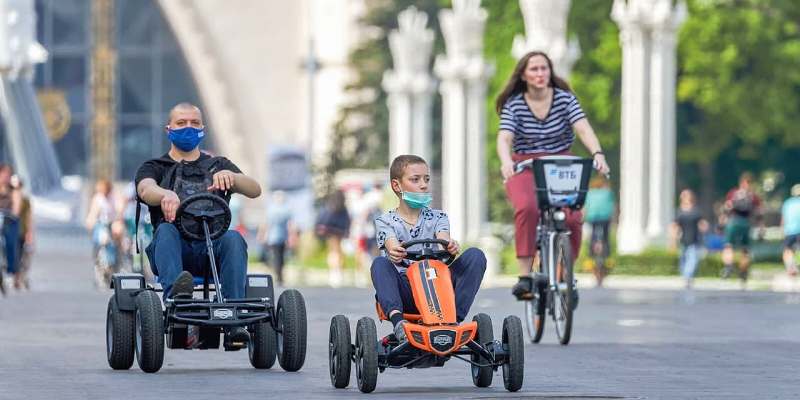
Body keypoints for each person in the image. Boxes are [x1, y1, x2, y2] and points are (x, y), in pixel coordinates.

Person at [134, 102, 261, 346]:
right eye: (181, 123)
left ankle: (234, 318)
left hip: (211, 249)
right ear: (169, 128)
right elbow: (145, 188)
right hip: (173, 250)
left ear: (203, 128)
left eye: (194, 123)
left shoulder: (218, 165)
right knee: (166, 230)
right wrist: (164, 195)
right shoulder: (155, 167)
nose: (188, 128)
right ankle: (179, 299)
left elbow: (254, 190)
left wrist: (233, 178)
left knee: (233, 237)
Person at [495, 51, 610, 298]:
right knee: (527, 208)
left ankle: (566, 268)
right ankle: (525, 276)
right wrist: (506, 161)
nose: (540, 74)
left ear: (550, 72)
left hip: (560, 162)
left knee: (572, 216)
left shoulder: (565, 100)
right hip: (525, 163)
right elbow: (505, 137)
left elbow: (583, 129)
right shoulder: (515, 104)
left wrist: (597, 153)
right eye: (534, 69)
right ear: (524, 75)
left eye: (544, 68)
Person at [371, 155, 486, 342]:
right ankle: (399, 323)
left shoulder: (438, 217)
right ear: (397, 186)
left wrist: (450, 245)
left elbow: (443, 237)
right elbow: (391, 243)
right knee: (380, 264)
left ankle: (452, 322)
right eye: (415, 179)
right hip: (407, 291)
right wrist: (395, 251)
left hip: (440, 288)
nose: (424, 185)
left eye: (426, 179)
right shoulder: (385, 221)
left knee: (475, 255)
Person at [720, 172, 762, 284]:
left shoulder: (733, 193)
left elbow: (726, 208)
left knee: (728, 246)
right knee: (745, 250)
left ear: (741, 182)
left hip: (733, 222)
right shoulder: (753, 196)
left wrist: (721, 222)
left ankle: (728, 266)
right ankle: (743, 272)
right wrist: (761, 229)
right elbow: (759, 214)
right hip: (746, 223)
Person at [85, 178, 124, 289]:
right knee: (100, 238)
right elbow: (93, 213)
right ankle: (100, 261)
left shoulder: (114, 197)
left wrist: (118, 221)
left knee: (117, 237)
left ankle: (117, 261)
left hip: (112, 222)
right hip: (101, 223)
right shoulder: (98, 198)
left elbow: (119, 210)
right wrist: (90, 221)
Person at [670, 189, 708, 289]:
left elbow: (703, 224)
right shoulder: (679, 212)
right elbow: (674, 226)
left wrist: (704, 228)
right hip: (683, 241)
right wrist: (673, 240)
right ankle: (686, 277)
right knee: (683, 261)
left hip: (694, 240)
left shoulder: (696, 212)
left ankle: (687, 278)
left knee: (692, 260)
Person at [315, 189, 351, 287]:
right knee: (338, 252)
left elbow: (322, 219)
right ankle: (337, 272)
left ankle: (334, 272)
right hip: (339, 231)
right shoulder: (342, 208)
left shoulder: (329, 206)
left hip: (330, 231)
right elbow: (347, 220)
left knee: (333, 252)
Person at [583, 175, 615, 287]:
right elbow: (612, 207)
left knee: (592, 238)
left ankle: (591, 252)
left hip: (593, 218)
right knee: (605, 239)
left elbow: (585, 207)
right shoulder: (608, 192)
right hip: (605, 219)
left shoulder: (590, 192)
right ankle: (606, 253)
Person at [257, 191, 294, 286]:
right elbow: (290, 225)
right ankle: (279, 277)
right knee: (280, 257)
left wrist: (262, 235)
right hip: (281, 237)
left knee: (276, 257)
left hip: (273, 237)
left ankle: (278, 276)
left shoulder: (271, 209)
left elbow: (265, 224)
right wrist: (291, 237)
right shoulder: (287, 210)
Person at [0, 164, 21, 295]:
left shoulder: (13, 189)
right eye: (3, 174)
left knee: (10, 243)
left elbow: (17, 206)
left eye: (8, 175)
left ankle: (10, 269)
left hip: (9, 220)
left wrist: (14, 213)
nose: (6, 177)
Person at [10, 175, 33, 290]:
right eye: (14, 187)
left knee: (21, 255)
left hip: (21, 231)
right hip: (9, 231)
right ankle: (15, 277)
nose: (16, 189)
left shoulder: (25, 200)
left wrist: (30, 233)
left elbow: (29, 217)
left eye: (18, 186)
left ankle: (19, 277)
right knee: (13, 255)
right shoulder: (6, 198)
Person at [780, 184, 800, 276]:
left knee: (787, 250)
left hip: (790, 231)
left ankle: (790, 267)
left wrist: (782, 230)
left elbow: (783, 219)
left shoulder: (787, 203)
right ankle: (796, 265)